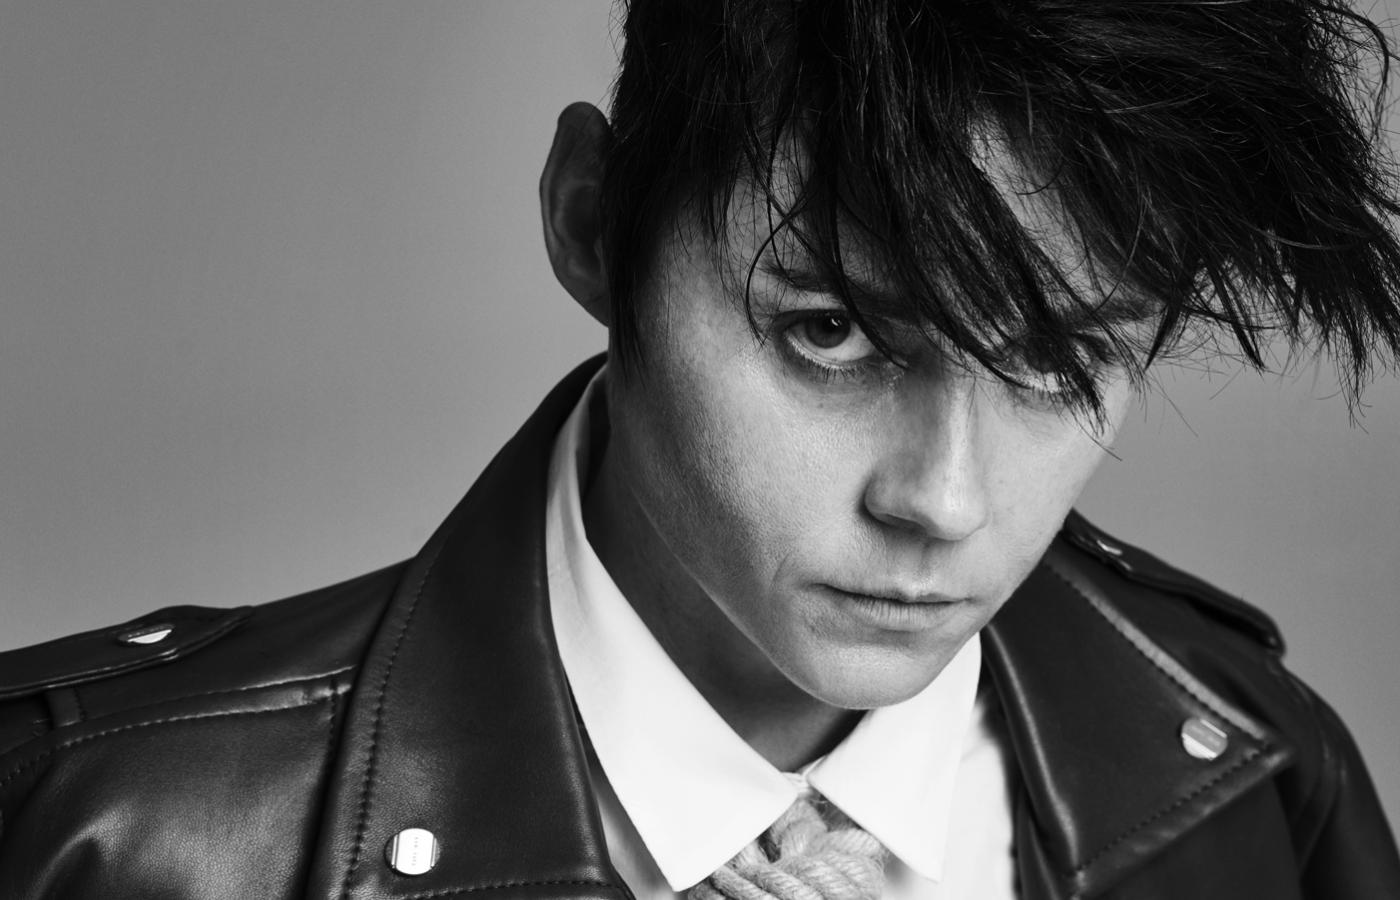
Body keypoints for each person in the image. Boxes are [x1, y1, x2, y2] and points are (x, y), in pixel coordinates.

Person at [2, 0, 1399, 897]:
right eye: (831, 331)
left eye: (1060, 358)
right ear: (594, 225)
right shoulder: (99, 835)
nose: (944, 501)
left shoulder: (1260, 780)